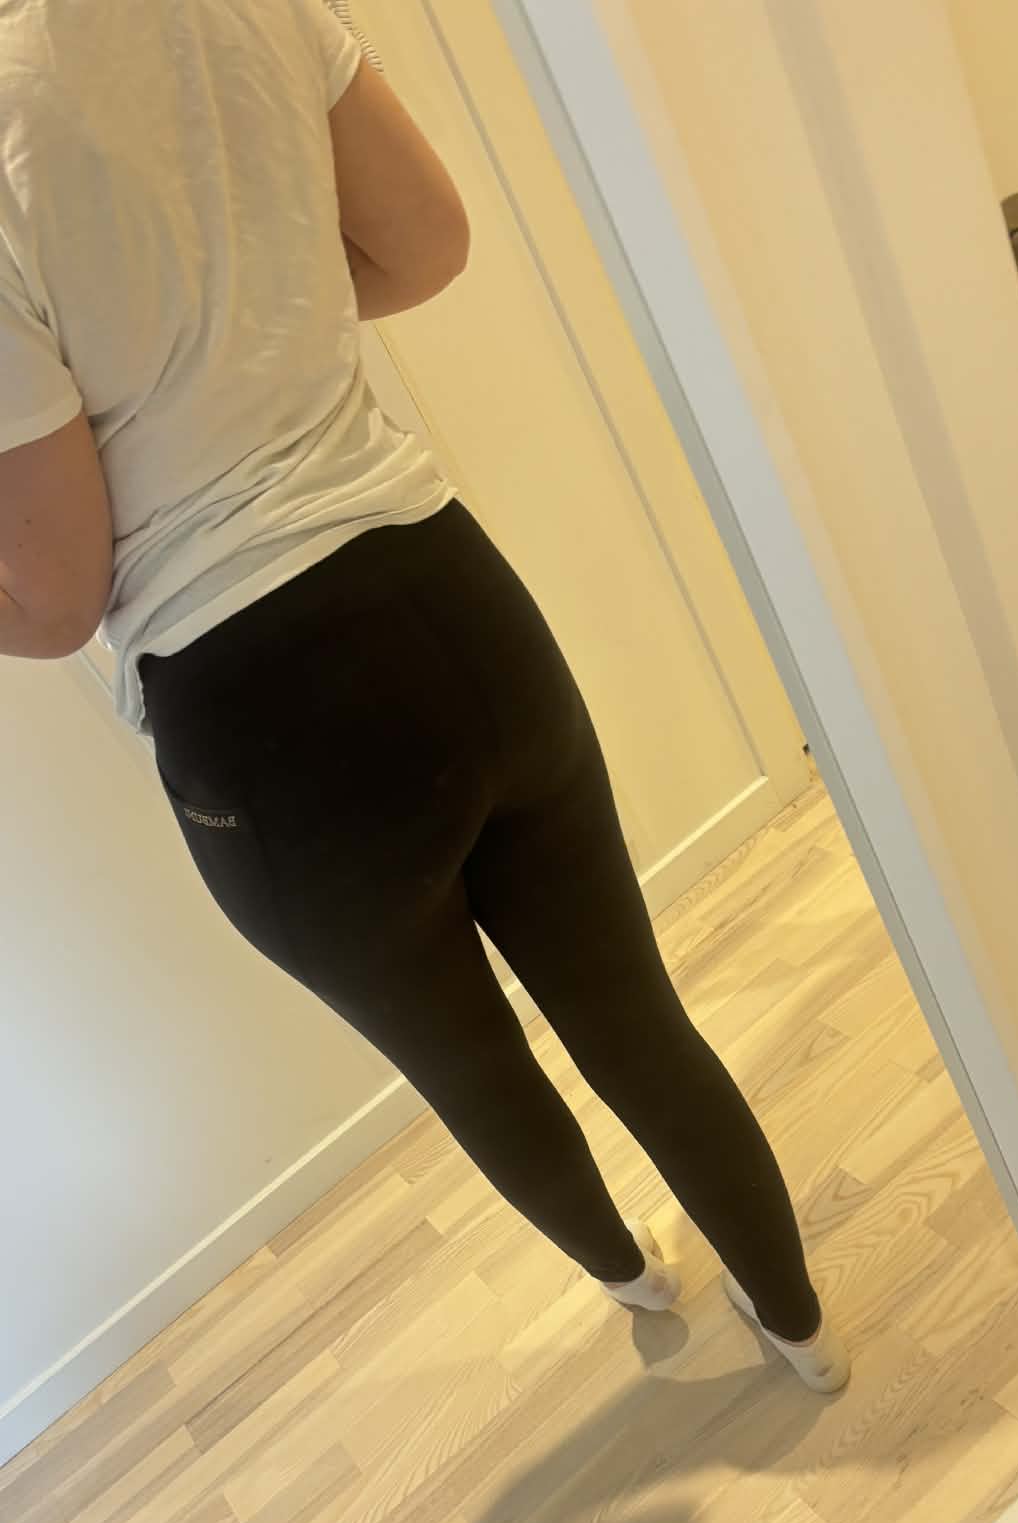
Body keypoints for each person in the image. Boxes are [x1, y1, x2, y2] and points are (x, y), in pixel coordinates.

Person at [0, 0, 848, 1393]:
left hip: (260, 720)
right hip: (450, 599)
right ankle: (804, 1331)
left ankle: (639, 1284)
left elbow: (56, 594)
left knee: (472, 1067)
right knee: (632, 1010)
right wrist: (253, 337)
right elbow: (428, 242)